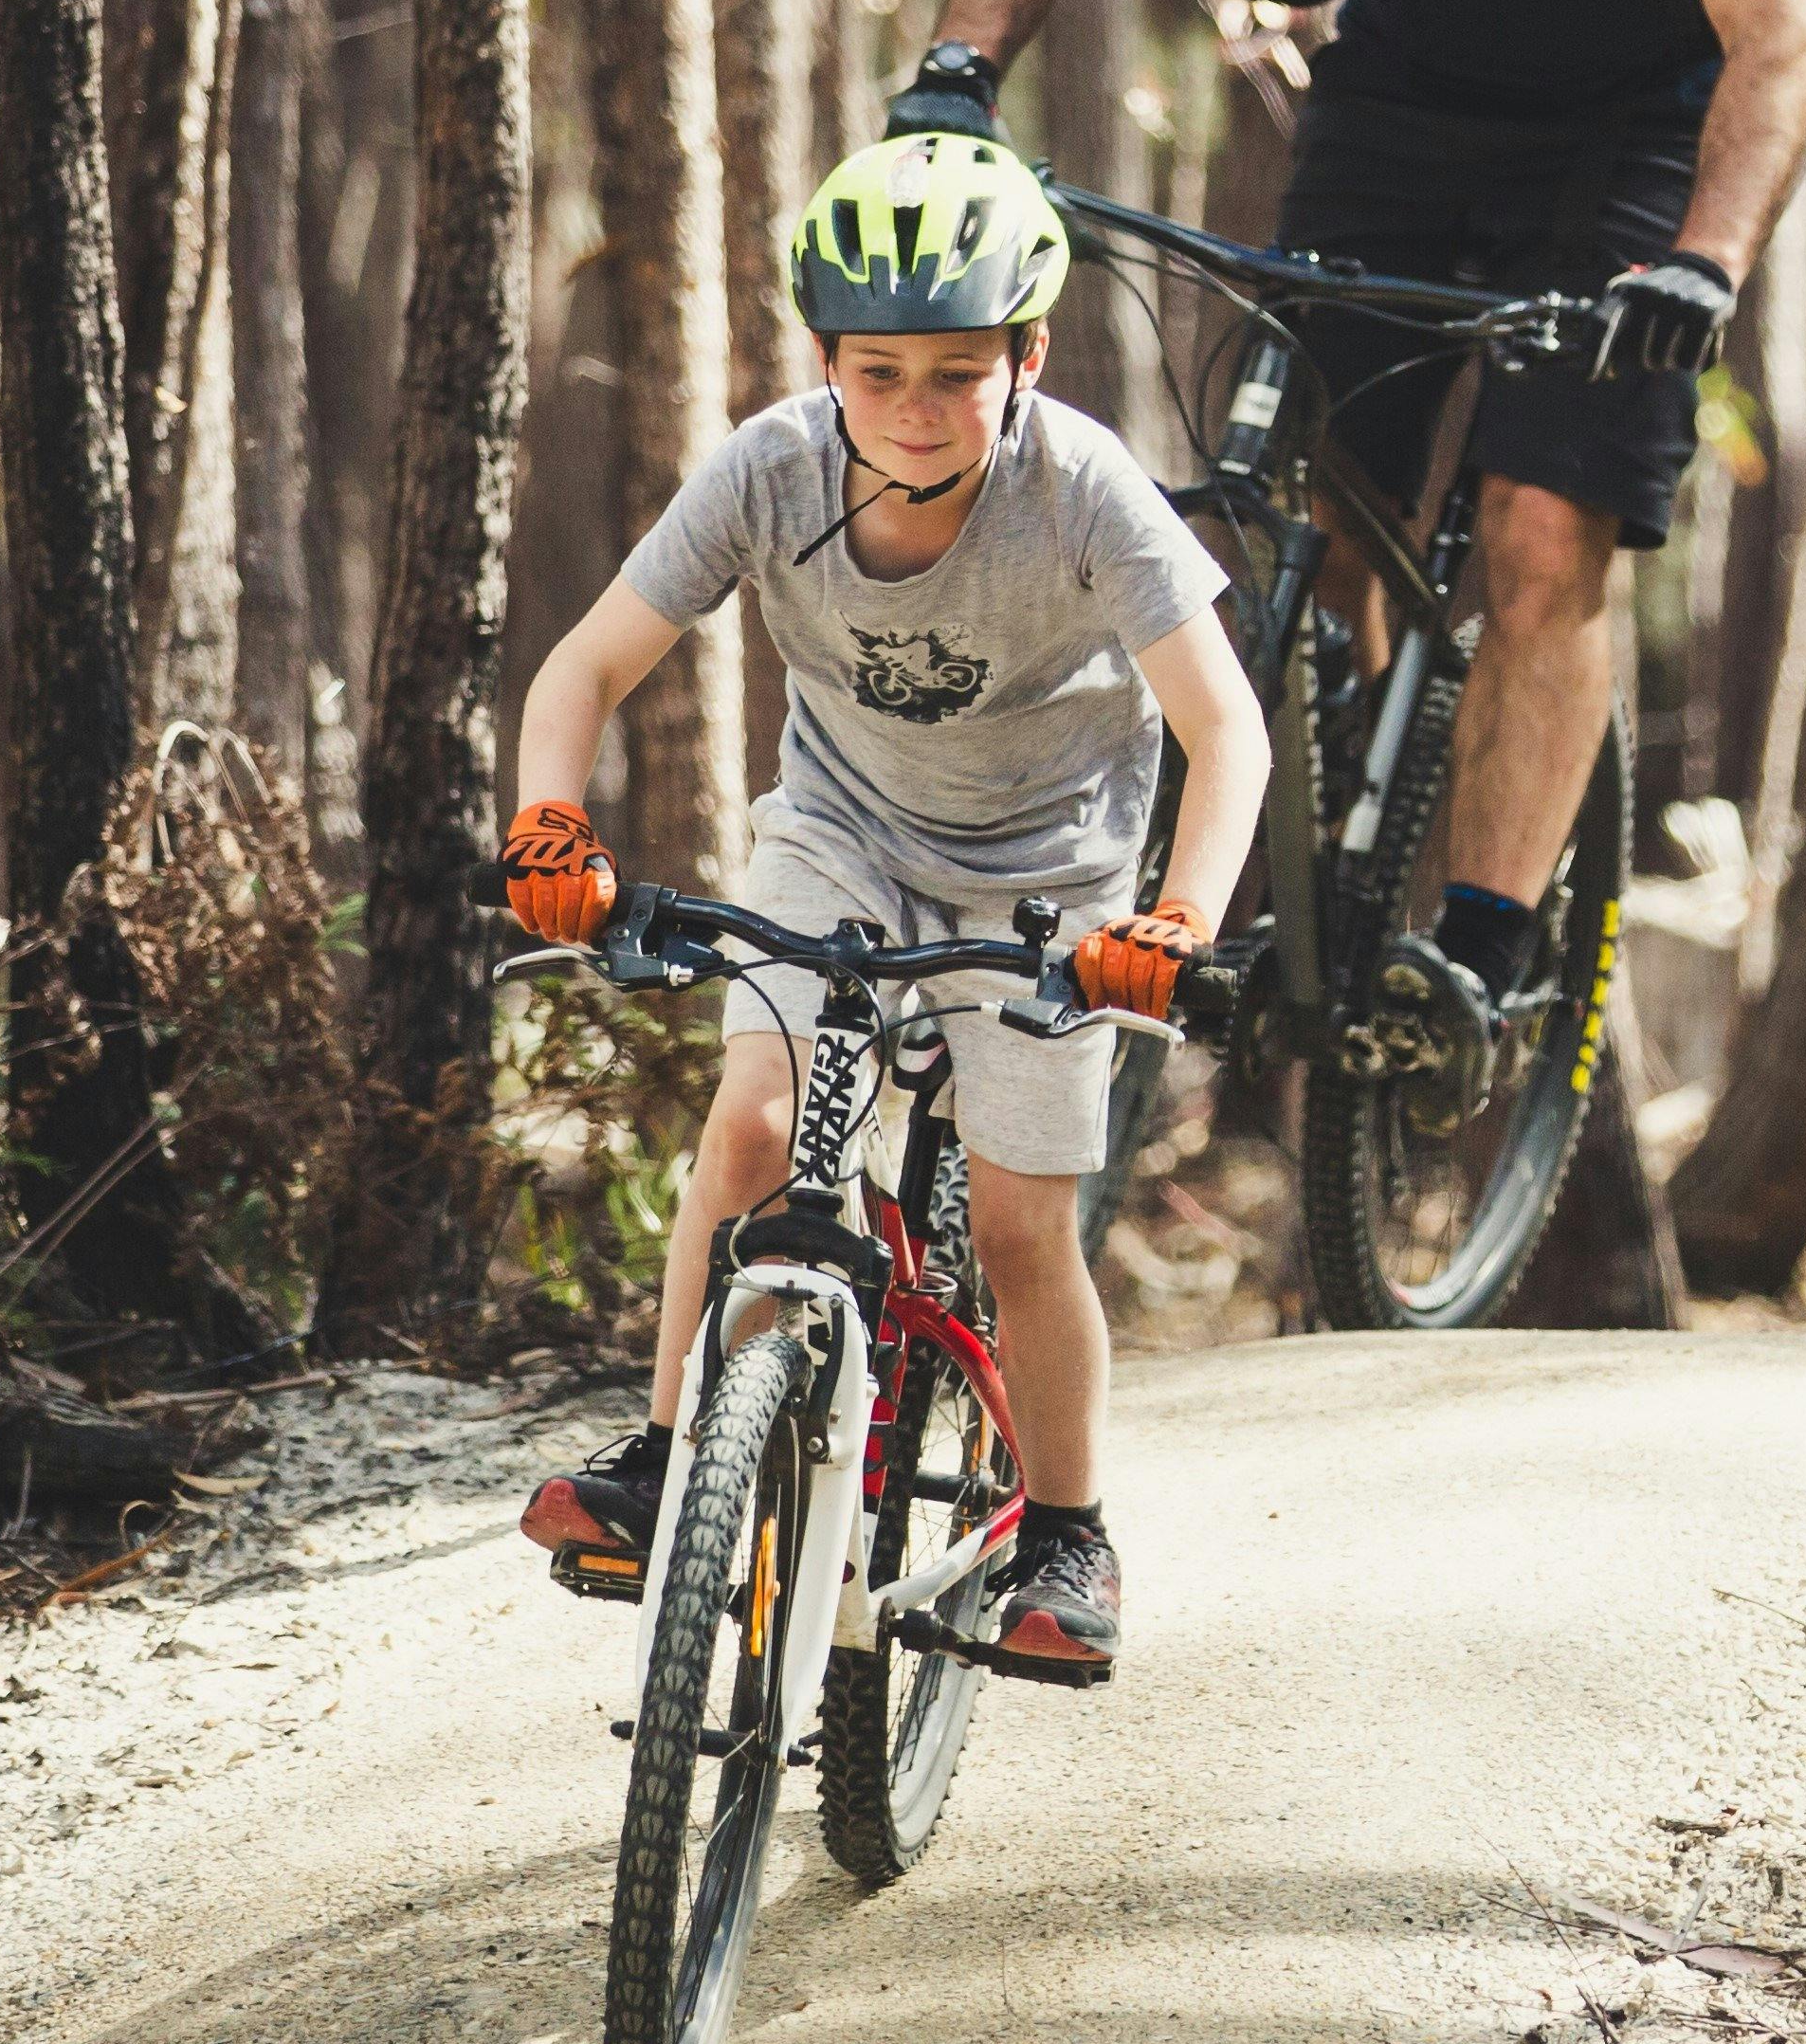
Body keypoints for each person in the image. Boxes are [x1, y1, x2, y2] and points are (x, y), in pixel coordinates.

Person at [885, 0, 1806, 1095]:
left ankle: (1472, 953)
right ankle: (1338, 807)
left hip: (1629, 148)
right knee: (1320, 499)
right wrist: (957, 73)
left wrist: (1701, 264)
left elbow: (1776, 35)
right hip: (1397, 107)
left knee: (1546, 543)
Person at [502, 134, 1270, 1685]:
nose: (917, 409)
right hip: (843, 836)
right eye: (879, 372)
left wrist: (1173, 925)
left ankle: (1066, 1529)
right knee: (755, 1123)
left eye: (957, 374)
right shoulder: (775, 470)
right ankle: (669, 1462)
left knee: (1017, 1218)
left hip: (1051, 877)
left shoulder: (1082, 493)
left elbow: (1227, 731)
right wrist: (547, 828)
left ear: (1028, 360)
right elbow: (583, 668)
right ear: (825, 363)